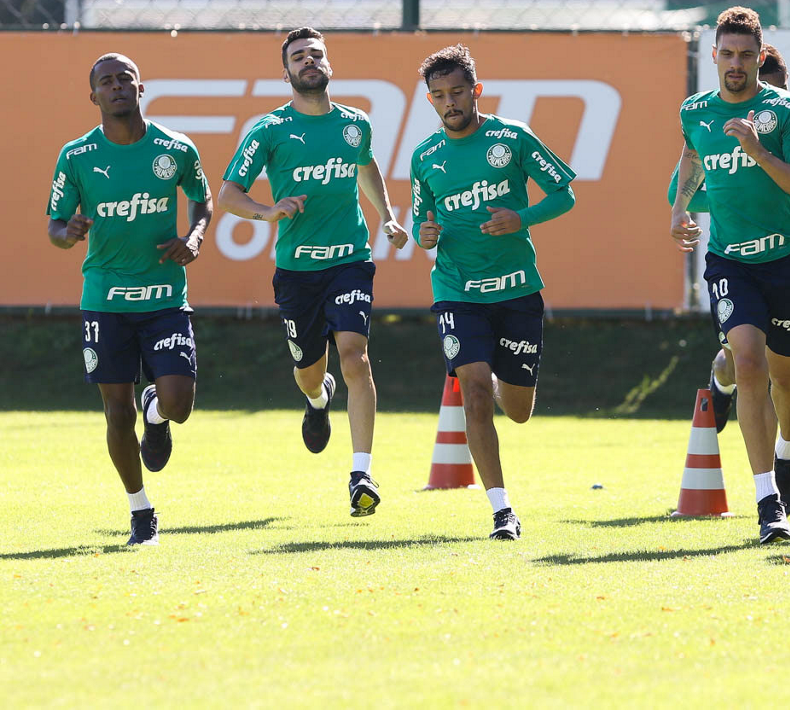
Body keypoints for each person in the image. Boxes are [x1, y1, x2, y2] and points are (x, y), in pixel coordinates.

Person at [219, 27, 408, 517]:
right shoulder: (268, 130)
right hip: (298, 272)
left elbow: (366, 167)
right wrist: (269, 212)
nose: (309, 61)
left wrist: (387, 217)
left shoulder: (355, 123)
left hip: (350, 261)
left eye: (316, 54)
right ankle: (318, 399)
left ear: (329, 65)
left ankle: (361, 474)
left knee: (355, 358)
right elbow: (229, 195)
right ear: (286, 73)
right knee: (309, 372)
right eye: (298, 56)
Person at [411, 44, 577, 540]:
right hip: (456, 290)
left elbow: (564, 194)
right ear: (430, 100)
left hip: (516, 289)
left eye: (457, 92)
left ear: (476, 91)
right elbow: (422, 220)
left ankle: (506, 377)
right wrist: (425, 234)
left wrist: (520, 218)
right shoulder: (425, 157)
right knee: (475, 392)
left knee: (518, 411)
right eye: (439, 95)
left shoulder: (512, 137)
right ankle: (502, 510)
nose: (449, 102)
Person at [671, 7, 790, 544]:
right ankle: (767, 502)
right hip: (730, 261)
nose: (735, 64)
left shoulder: (786, 109)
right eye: (727, 54)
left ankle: (789, 447)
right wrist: (679, 208)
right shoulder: (695, 110)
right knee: (750, 363)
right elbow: (692, 156)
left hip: (788, 260)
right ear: (713, 55)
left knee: (788, 375)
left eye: (746, 55)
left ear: (760, 58)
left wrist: (757, 152)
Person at [46, 53, 211, 546]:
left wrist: (195, 237)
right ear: (93, 95)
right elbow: (55, 225)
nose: (116, 86)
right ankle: (141, 511)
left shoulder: (175, 148)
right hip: (105, 299)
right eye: (106, 82)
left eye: (125, 79)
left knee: (179, 403)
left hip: (164, 298)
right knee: (117, 413)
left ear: (141, 88)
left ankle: (156, 413)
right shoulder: (76, 156)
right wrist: (68, 232)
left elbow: (201, 199)